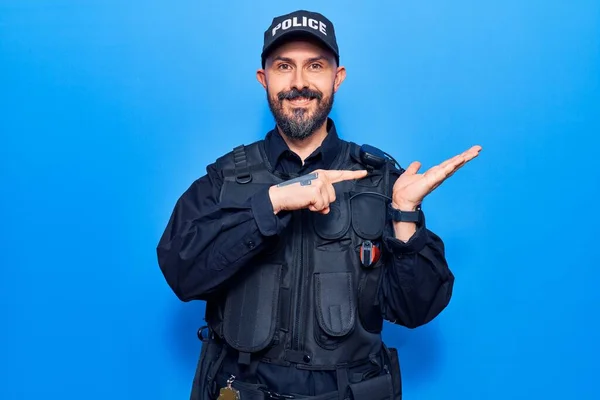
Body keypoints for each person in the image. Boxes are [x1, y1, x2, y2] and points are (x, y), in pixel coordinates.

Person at [156, 9, 481, 400]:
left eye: (315, 66)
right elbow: (182, 272)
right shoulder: (224, 179)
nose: (299, 83)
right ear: (264, 80)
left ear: (336, 79)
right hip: (242, 388)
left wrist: (405, 215)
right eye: (283, 66)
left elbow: (416, 311)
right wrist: (271, 203)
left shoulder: (382, 183)